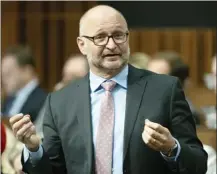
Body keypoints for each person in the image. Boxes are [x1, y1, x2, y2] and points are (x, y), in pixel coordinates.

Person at [9, 5, 207, 174]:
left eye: (119, 35)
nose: (112, 45)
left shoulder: (165, 90)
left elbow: (198, 164)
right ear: (82, 44)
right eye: (100, 37)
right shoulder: (60, 101)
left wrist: (171, 148)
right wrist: (34, 147)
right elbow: (52, 169)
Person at [2, 45, 47, 123]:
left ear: (27, 71)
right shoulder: (8, 100)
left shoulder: (44, 101)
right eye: (2, 74)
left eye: (8, 73)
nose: (3, 80)